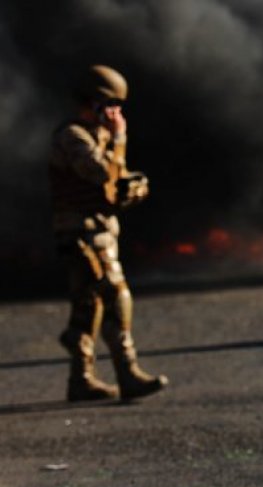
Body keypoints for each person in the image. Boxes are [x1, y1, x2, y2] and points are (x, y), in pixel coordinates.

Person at [49, 64, 168, 402]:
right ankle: (127, 372)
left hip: (99, 230)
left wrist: (134, 187)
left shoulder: (95, 134)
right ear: (96, 102)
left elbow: (115, 183)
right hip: (82, 233)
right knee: (116, 296)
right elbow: (101, 175)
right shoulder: (73, 137)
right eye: (111, 105)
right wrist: (119, 138)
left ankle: (81, 380)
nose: (117, 113)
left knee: (88, 306)